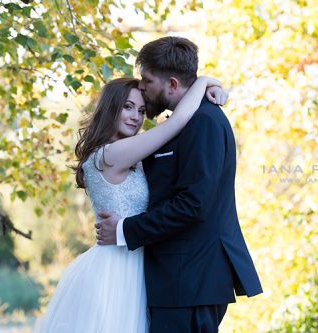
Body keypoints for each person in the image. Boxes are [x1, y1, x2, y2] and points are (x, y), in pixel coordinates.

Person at [34, 76, 228, 333]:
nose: (135, 117)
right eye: (127, 107)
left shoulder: (130, 152)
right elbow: (178, 122)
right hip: (115, 270)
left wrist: (214, 89)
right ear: (110, 108)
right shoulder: (110, 154)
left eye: (141, 110)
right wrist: (203, 81)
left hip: (138, 263)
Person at [96, 37, 263, 332]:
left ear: (172, 85)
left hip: (190, 280)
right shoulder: (183, 122)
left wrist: (124, 229)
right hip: (174, 281)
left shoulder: (204, 123)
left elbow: (193, 204)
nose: (142, 87)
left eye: (147, 80)